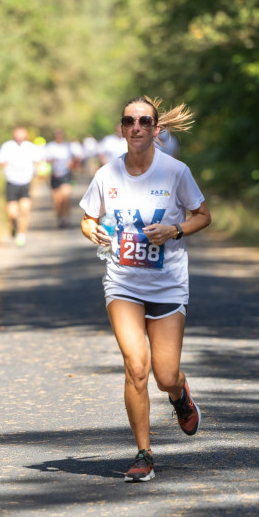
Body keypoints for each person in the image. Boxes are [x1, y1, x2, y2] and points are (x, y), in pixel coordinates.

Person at [78, 95, 212, 482]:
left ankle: (179, 394)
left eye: (144, 121)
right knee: (137, 366)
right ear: (121, 129)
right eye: (129, 121)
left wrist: (176, 229)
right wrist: (93, 231)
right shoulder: (107, 175)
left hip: (168, 284)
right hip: (123, 283)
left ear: (156, 130)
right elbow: (87, 218)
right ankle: (143, 453)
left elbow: (203, 215)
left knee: (164, 374)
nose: (136, 127)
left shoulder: (175, 172)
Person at [0, 125, 41, 246]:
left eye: (22, 133)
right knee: (12, 212)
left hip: (25, 182)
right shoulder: (7, 146)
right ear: (14, 134)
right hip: (11, 181)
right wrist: (5, 165)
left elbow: (39, 161)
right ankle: (14, 224)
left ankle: (22, 234)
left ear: (25, 135)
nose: (19, 136)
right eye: (17, 133)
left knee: (25, 210)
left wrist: (38, 173)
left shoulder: (31, 147)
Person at [43, 128, 80, 228]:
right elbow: (46, 159)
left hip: (66, 175)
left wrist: (72, 164)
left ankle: (66, 218)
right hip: (55, 175)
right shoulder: (50, 146)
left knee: (66, 197)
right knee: (57, 201)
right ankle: (59, 217)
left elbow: (78, 157)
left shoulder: (68, 146)